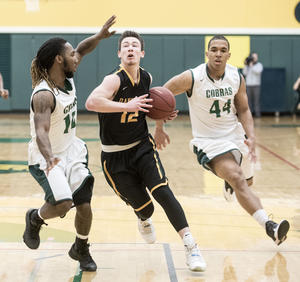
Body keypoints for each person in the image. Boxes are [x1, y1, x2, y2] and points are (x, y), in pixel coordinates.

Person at [85, 30, 206, 272]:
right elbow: (91, 102)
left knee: (163, 191)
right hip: (114, 158)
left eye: (134, 46)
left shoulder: (147, 78)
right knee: (146, 208)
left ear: (141, 53)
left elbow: (149, 108)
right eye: (125, 45)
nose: (130, 49)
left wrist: (162, 119)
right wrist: (126, 105)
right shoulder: (114, 80)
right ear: (119, 53)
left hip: (142, 147)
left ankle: (191, 245)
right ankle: (143, 218)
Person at [155, 35, 290, 246]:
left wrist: (252, 136)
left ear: (229, 54)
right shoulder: (192, 77)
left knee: (246, 183)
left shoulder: (236, 76)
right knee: (237, 178)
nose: (218, 53)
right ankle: (269, 226)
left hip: (234, 136)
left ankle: (230, 183)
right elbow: (161, 95)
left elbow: (244, 109)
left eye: (222, 50)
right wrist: (159, 127)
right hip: (208, 142)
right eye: (214, 49)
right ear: (207, 53)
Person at [22, 15, 116, 272]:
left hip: (72, 150)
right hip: (46, 157)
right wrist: (51, 157)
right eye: (71, 54)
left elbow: (83, 48)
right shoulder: (44, 94)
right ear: (58, 60)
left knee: (84, 204)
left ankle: (81, 247)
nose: (77, 57)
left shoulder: (68, 76)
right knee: (64, 204)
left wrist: (98, 36)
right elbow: (41, 131)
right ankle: (35, 217)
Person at [242, 52, 263, 117]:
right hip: (248, 85)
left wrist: (252, 66)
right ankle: (249, 114)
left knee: (256, 101)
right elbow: (244, 73)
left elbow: (258, 72)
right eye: (253, 57)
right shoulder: (248, 66)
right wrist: (246, 65)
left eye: (255, 57)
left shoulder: (259, 65)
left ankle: (257, 114)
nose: (254, 58)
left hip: (256, 85)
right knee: (248, 101)